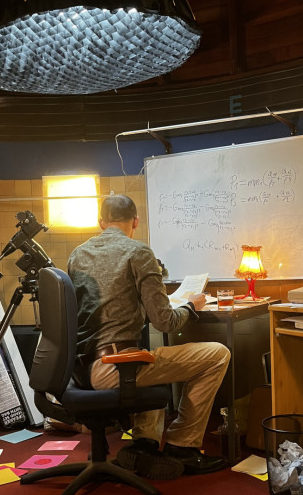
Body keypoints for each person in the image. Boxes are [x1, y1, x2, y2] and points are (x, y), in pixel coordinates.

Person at [67, 194, 231, 479]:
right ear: (136, 221)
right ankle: (183, 446)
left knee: (151, 358)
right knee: (217, 354)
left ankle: (145, 444)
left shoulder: (77, 254)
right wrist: (191, 306)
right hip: (113, 366)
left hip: (81, 367)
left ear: (101, 222)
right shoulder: (139, 252)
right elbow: (165, 322)